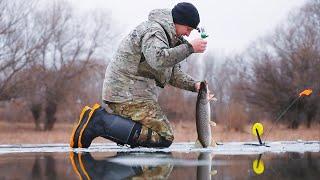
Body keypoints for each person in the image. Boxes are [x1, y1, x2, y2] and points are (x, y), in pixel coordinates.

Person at [70, 2, 214, 148]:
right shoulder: (155, 31)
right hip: (126, 92)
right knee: (164, 136)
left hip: (132, 93)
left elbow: (171, 73)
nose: (188, 34)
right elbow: (158, 59)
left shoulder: (170, 39)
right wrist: (189, 48)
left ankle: (103, 129)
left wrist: (195, 85)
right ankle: (99, 122)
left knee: (155, 136)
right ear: (178, 21)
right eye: (188, 29)